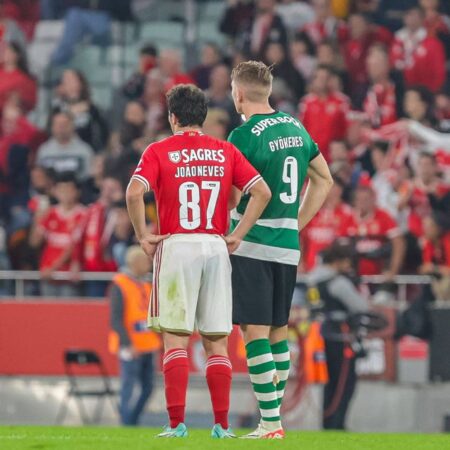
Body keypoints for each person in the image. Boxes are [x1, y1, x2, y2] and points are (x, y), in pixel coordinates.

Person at [126, 84, 271, 438]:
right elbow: (260, 192)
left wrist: (143, 236)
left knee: (176, 341)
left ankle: (177, 425)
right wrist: (239, 233)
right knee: (216, 343)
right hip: (216, 245)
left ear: (173, 117)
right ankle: (221, 426)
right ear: (202, 117)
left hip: (177, 244)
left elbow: (133, 191)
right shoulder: (224, 151)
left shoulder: (159, 150)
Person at [228, 61, 333, 438]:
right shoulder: (297, 127)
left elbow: (239, 194)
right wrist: (297, 223)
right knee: (277, 331)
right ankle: (273, 420)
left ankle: (270, 422)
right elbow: (324, 179)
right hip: (288, 246)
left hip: (254, 242)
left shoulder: (244, 135)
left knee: (254, 332)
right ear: (267, 91)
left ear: (238, 93)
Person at [307, 242, 369, 430]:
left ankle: (328, 423)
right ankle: (337, 423)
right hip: (342, 336)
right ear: (339, 261)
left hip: (324, 334)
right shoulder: (337, 282)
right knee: (344, 383)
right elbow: (361, 307)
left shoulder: (313, 279)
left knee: (331, 382)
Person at [109, 245, 161, 426]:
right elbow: (116, 318)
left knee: (148, 388)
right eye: (145, 260)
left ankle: (132, 421)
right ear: (135, 262)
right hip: (130, 346)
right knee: (128, 387)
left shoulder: (147, 283)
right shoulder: (120, 284)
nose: (148, 264)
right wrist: (127, 344)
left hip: (148, 344)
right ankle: (126, 422)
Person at [29, 173, 86, 297]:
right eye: (61, 189)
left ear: (76, 192)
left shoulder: (83, 215)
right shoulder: (50, 213)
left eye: (68, 189)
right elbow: (34, 242)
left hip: (68, 276)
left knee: (68, 313)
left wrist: (53, 268)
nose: (65, 193)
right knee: (48, 313)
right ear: (55, 192)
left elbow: (72, 247)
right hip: (48, 274)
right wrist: (38, 218)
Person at [390, 7, 446, 93]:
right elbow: (391, 63)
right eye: (408, 15)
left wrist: (435, 92)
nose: (411, 18)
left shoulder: (433, 43)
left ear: (422, 19)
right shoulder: (397, 39)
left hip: (425, 92)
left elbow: (439, 72)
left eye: (414, 15)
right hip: (399, 91)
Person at [299, 65, 349, 162]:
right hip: (313, 157)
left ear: (330, 80)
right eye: (318, 78)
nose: (321, 81)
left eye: (325, 78)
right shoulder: (306, 103)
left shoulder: (341, 102)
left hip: (335, 158)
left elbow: (347, 130)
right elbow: (301, 130)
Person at [51, 69, 109, 152]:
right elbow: (50, 130)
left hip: (88, 151)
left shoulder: (92, 109)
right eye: (65, 81)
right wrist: (70, 113)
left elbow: (103, 132)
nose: (68, 84)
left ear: (80, 83)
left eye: (71, 80)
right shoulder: (57, 109)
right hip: (61, 151)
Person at [36, 112, 95, 183]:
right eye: (58, 125)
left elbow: (87, 176)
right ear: (52, 127)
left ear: (73, 126)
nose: (61, 128)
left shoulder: (85, 150)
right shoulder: (44, 151)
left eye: (65, 125)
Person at [0, 41, 36, 113]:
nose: (7, 55)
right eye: (5, 52)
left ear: (17, 55)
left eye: (10, 52)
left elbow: (27, 103)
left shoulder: (22, 78)